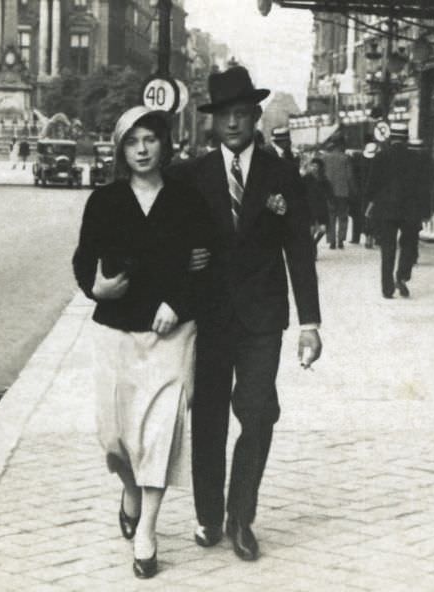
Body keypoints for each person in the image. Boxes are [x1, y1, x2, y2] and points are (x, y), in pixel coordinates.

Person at [172, 65, 322, 562]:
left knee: (258, 414)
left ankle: (242, 516)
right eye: (224, 116)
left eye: (242, 114)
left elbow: (299, 247)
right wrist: (180, 261)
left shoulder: (282, 172)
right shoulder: (193, 175)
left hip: (263, 317)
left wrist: (310, 323)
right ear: (213, 122)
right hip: (210, 316)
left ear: (255, 116)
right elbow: (157, 228)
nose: (233, 123)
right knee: (209, 417)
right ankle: (209, 516)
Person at [72, 106, 210, 580]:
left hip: (172, 332)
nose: (143, 149)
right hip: (116, 329)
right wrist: (95, 288)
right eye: (133, 142)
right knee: (115, 438)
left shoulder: (186, 199)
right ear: (121, 149)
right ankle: (129, 491)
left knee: (160, 433)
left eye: (150, 139)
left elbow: (205, 261)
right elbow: (83, 258)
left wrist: (178, 299)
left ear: (164, 145)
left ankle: (147, 531)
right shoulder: (105, 200)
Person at [367, 123, 432, 299]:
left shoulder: (381, 157)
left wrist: (371, 203)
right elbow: (424, 186)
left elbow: (372, 185)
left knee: (387, 248)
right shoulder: (417, 158)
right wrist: (426, 210)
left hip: (386, 210)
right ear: (406, 138)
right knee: (409, 245)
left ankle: (387, 288)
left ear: (391, 137)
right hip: (410, 210)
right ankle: (402, 276)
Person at [321, 135, 354, 249]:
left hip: (328, 191)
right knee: (342, 217)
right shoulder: (345, 158)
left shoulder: (325, 158)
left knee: (330, 216)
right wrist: (352, 189)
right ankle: (340, 240)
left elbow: (322, 175)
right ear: (341, 145)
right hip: (342, 191)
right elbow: (349, 176)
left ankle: (331, 241)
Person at [301, 157, 332, 257]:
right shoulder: (306, 179)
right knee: (311, 230)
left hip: (321, 207)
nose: (314, 168)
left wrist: (332, 202)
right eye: (312, 166)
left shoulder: (324, 180)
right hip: (309, 207)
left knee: (323, 229)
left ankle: (313, 244)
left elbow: (330, 193)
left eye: (316, 166)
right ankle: (312, 250)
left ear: (320, 168)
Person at [354, 140, 378, 247]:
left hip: (364, 192)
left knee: (366, 214)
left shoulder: (361, 163)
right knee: (374, 214)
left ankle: (368, 235)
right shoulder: (378, 162)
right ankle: (372, 235)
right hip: (376, 193)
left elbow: (357, 178)